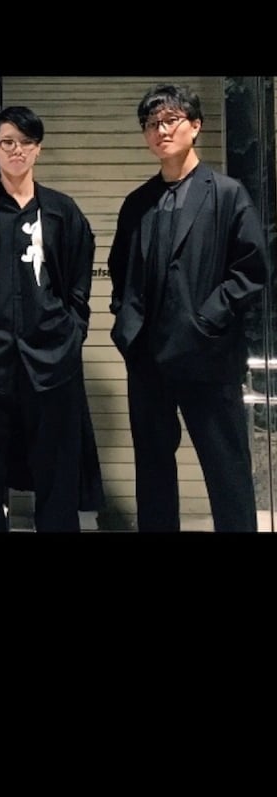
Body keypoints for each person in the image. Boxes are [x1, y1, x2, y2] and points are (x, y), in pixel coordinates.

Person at [108, 83, 267, 532]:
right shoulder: (137, 203)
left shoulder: (227, 194)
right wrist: (127, 324)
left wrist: (206, 320)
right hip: (148, 358)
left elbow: (251, 271)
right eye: (152, 124)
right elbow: (120, 270)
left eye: (170, 120)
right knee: (153, 471)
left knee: (226, 468)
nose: (161, 130)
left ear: (195, 126)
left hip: (207, 355)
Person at [0, 106, 100, 532]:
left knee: (57, 474)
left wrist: (73, 330)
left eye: (26, 142)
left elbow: (79, 282)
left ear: (38, 150)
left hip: (51, 360)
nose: (17, 150)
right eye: (7, 142)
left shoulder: (62, 211)